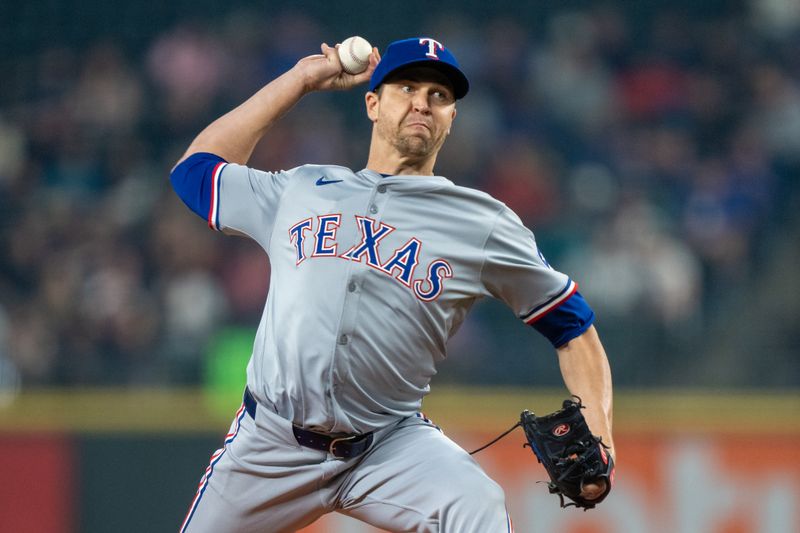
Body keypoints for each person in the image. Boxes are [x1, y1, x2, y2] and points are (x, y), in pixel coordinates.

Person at [171, 36, 615, 533]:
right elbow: (195, 173)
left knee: (476, 504)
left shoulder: (482, 223)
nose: (423, 102)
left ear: (451, 118)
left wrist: (600, 435)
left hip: (388, 446)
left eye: (440, 96)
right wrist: (300, 80)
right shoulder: (300, 188)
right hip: (269, 444)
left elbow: (574, 327)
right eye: (407, 87)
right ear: (372, 103)